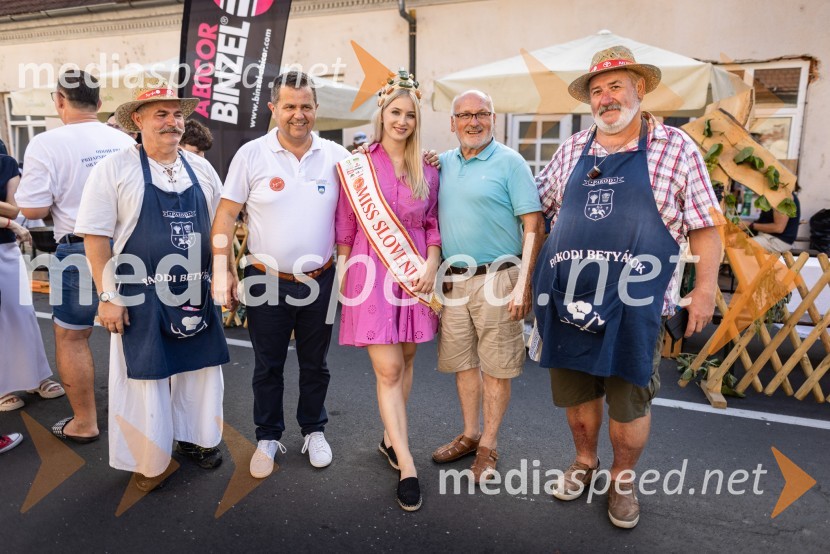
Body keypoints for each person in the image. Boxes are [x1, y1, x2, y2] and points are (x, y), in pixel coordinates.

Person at [533, 45, 722, 529]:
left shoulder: (675, 147)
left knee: (628, 400)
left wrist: (703, 290)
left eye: (616, 86)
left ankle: (622, 479)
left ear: (640, 89)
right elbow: (532, 206)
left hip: (635, 307)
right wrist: (443, 166)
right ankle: (583, 461)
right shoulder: (572, 149)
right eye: (597, 91)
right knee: (577, 396)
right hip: (568, 299)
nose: (606, 98)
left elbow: (705, 226)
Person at [76, 84, 229, 491]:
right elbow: (95, 238)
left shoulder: (201, 169)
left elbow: (218, 229)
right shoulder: (114, 169)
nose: (172, 122)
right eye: (160, 114)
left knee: (200, 372)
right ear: (138, 121)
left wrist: (222, 274)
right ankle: (150, 459)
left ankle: (197, 441)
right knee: (145, 379)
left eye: (177, 114)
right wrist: (107, 296)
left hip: (195, 289)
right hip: (139, 294)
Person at [212, 70, 349, 478]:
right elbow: (224, 220)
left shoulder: (337, 157)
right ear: (273, 109)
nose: (298, 114)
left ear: (316, 109)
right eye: (289, 106)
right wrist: (222, 271)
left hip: (320, 279)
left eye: (306, 106)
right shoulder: (251, 154)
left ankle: (313, 429)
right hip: (264, 278)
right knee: (267, 365)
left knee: (316, 364)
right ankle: (268, 436)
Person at [335, 71, 441, 511]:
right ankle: (407, 462)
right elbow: (345, 225)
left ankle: (388, 438)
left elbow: (434, 222)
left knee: (410, 356)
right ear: (382, 115)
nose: (402, 121)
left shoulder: (430, 168)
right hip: (372, 273)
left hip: (415, 271)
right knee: (390, 370)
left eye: (410, 115)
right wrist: (344, 278)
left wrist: (432, 263)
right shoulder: (357, 165)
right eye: (395, 112)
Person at [15, 71, 136, 443]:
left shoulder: (46, 143)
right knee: (138, 333)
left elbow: (32, 209)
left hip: (78, 248)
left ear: (59, 101)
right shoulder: (124, 139)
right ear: (99, 104)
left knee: (72, 336)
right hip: (132, 247)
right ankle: (141, 419)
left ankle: (85, 422)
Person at [432, 90, 544, 484]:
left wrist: (524, 284)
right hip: (454, 281)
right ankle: (470, 433)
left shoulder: (511, 163)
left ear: (493, 118)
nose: (473, 121)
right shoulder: (442, 164)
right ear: (452, 123)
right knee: (463, 364)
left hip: (500, 276)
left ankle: (488, 445)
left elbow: (534, 225)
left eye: (481, 114)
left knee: (496, 368)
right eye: (464, 115)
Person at [1, 153, 65, 412]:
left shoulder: (5, 162)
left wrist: (7, 218)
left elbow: (15, 208)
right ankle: (3, 386)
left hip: (4, 247)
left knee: (22, 312)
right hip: (7, 232)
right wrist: (6, 219)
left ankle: (35, 377)